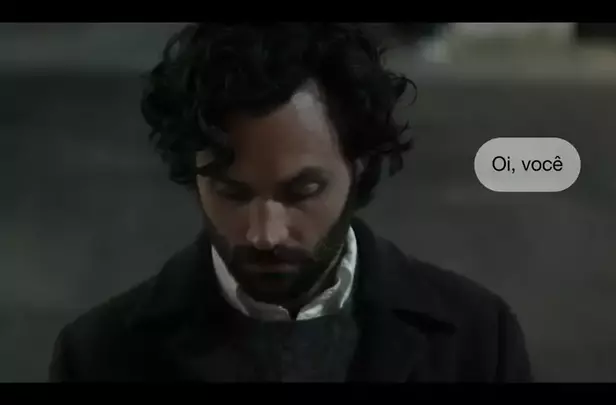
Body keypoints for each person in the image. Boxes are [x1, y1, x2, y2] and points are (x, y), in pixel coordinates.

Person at [48, 23, 532, 382]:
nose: (265, 233)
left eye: (302, 192)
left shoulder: (476, 338)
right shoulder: (99, 357)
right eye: (232, 192)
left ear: (360, 166)